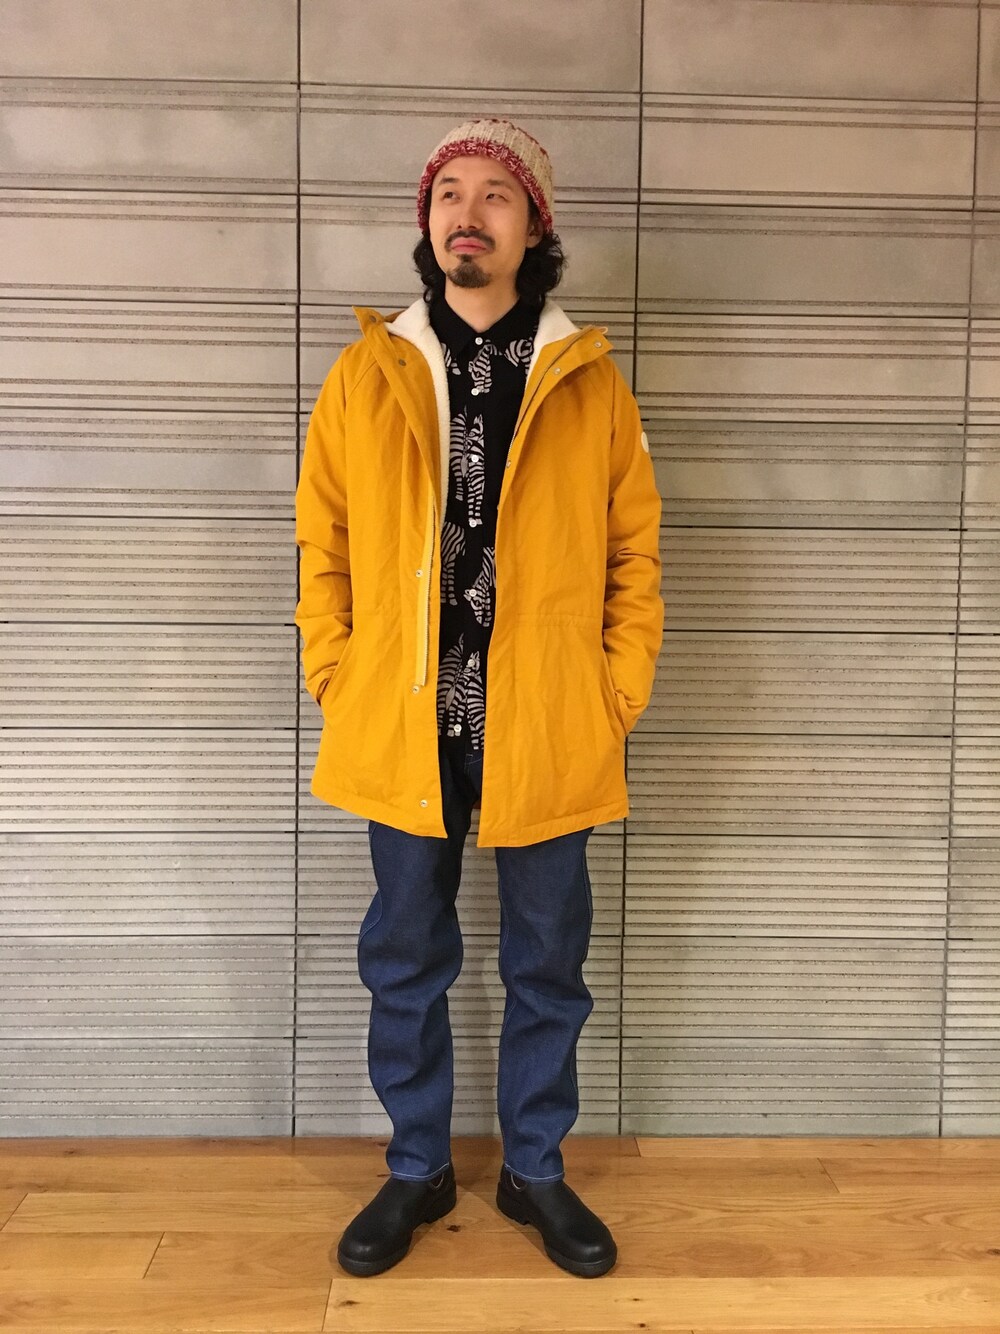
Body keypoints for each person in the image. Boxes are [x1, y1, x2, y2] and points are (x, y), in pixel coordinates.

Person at [294, 118, 664, 1280]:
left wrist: (611, 693)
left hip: (546, 722)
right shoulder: (367, 371)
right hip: (401, 719)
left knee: (548, 961)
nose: (467, 211)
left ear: (532, 227)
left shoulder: (588, 381)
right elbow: (323, 543)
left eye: (494, 194)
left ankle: (533, 1168)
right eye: (448, 191)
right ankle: (416, 1166)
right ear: (427, 221)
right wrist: (337, 673)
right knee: (404, 956)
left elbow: (633, 553)